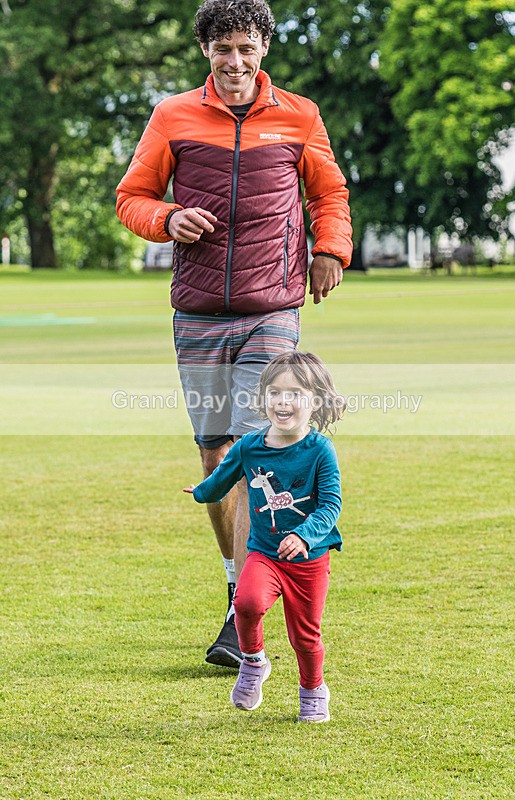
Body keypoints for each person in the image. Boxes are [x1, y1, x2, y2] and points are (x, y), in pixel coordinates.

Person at [116, 0, 353, 669]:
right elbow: (131, 196)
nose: (235, 62)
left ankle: (242, 607)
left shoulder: (298, 115)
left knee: (258, 441)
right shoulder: (173, 116)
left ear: (264, 49)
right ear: (205, 52)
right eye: (223, 48)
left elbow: (327, 194)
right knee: (216, 455)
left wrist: (330, 249)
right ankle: (233, 584)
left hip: (272, 306)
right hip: (195, 311)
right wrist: (167, 219)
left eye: (246, 48)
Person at [183, 352, 345, 722]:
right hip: (265, 554)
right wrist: (200, 493)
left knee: (305, 638)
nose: (283, 401)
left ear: (315, 400)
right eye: (275, 392)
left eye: (294, 393)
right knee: (246, 602)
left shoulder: (320, 451)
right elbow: (222, 479)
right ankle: (254, 662)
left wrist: (304, 536)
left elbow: (331, 505)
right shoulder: (249, 446)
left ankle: (312, 688)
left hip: (308, 560)